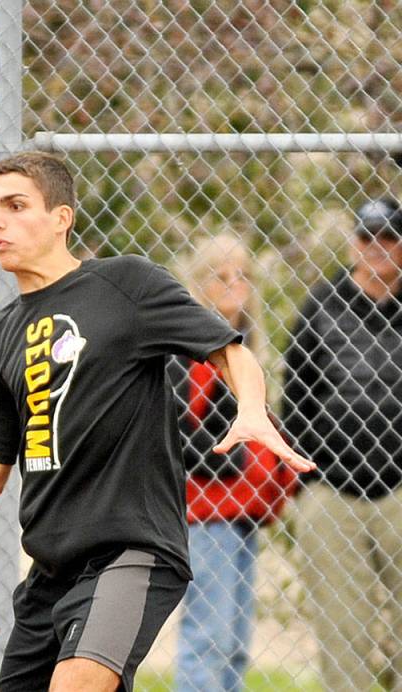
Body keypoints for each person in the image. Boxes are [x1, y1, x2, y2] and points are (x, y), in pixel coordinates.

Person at [0, 151, 314, 692]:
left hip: (131, 553)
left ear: (61, 217)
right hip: (50, 574)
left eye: (16, 206)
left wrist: (250, 408)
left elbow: (230, 351)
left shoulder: (127, 285)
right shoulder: (2, 334)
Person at [282, 196, 402, 692]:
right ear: (353, 244)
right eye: (366, 237)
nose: (376, 247)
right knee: (342, 629)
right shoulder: (322, 305)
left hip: (399, 489)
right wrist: (307, 478)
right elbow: (295, 395)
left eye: (388, 237)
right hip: (332, 488)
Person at [169, 235, 298, 692]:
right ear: (198, 283)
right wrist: (239, 457)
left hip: (243, 511)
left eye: (243, 275)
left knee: (236, 641)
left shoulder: (243, 348)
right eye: (219, 276)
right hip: (208, 512)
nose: (234, 284)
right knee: (210, 635)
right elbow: (175, 431)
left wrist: (276, 474)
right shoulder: (190, 349)